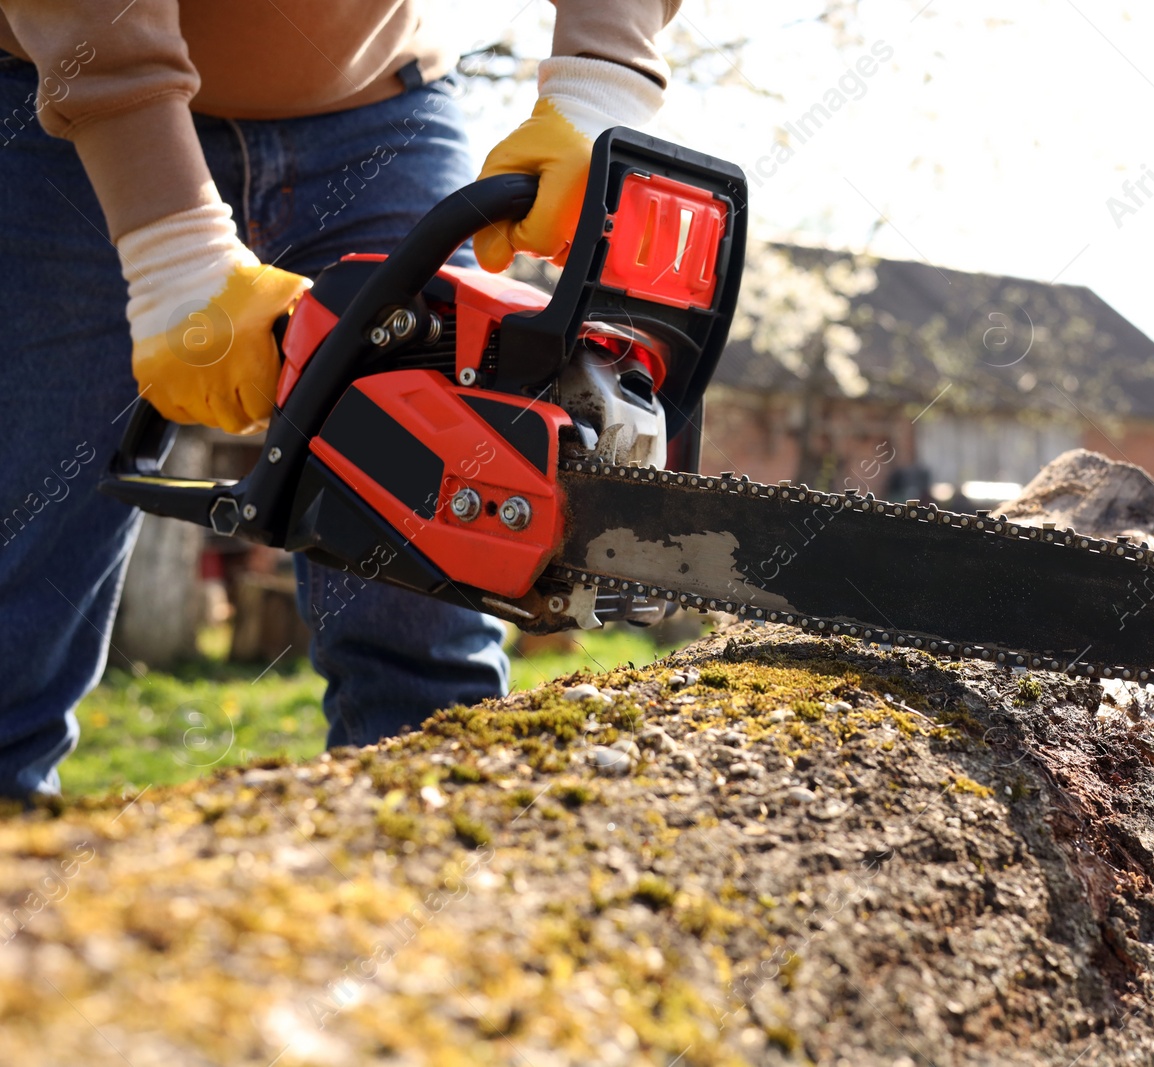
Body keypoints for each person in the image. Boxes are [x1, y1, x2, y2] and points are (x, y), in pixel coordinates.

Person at [0, 0, 681, 797]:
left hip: (379, 114)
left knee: (428, 606)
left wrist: (603, 79)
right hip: (60, 106)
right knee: (24, 579)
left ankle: (434, 870)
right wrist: (167, 240)